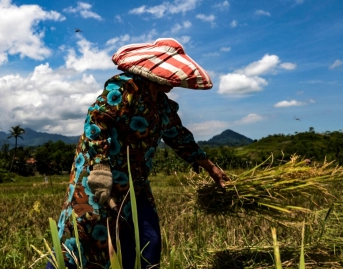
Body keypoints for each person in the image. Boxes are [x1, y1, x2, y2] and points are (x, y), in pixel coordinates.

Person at [48, 38, 229, 269]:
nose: (174, 83)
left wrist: (210, 167)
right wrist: (101, 171)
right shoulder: (124, 88)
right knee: (86, 240)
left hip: (135, 184)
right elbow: (96, 121)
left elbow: (180, 138)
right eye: (169, 77)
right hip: (97, 179)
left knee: (147, 241)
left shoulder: (163, 106)